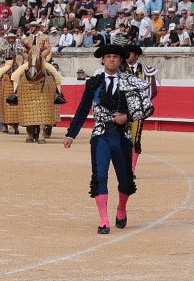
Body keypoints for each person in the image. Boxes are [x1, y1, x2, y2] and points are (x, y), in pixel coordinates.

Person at [64, 44, 147, 234]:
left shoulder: (130, 81)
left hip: (122, 135)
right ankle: (104, 220)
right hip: (100, 134)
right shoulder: (94, 83)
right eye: (108, 56)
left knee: (125, 179)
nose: (111, 59)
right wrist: (71, 134)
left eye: (115, 57)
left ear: (121, 60)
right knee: (100, 176)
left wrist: (128, 116)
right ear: (102, 60)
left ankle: (121, 208)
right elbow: (83, 109)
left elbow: (146, 107)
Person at [122, 45, 158, 175]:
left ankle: (131, 169)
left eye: (130, 54)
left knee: (135, 139)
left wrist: (141, 105)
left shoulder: (146, 70)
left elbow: (152, 91)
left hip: (138, 112)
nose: (127, 56)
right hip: (121, 111)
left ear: (136, 56)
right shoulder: (119, 69)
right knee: (120, 139)